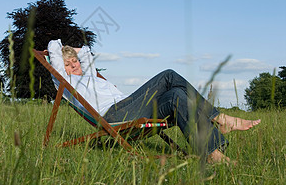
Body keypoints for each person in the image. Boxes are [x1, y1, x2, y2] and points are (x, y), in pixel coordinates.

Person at [47, 39, 261, 164]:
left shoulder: (89, 75)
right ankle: (220, 117)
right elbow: (53, 48)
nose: (74, 65)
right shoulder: (65, 82)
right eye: (68, 63)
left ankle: (212, 153)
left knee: (177, 94)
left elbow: (85, 51)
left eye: (75, 61)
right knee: (168, 75)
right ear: (60, 68)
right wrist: (61, 52)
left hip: (129, 107)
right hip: (114, 115)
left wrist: (74, 53)